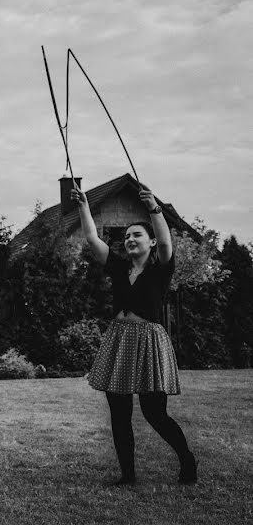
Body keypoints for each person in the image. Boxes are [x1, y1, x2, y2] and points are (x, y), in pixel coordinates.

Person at [71, 183, 197, 485]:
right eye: (126, 236)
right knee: (119, 412)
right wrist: (84, 206)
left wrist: (154, 208)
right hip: (119, 338)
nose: (129, 239)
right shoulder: (118, 267)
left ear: (151, 242)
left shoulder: (160, 268)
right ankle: (127, 476)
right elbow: (91, 238)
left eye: (136, 235)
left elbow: (167, 243)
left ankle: (187, 460)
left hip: (148, 341)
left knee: (155, 414)